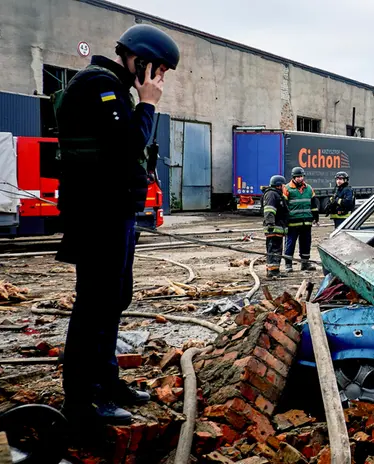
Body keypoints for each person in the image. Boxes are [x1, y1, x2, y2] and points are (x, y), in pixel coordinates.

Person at [55, 24, 180, 425]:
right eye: (158, 70)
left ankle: (106, 382)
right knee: (94, 306)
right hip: (97, 216)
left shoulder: (114, 88)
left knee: (113, 300)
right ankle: (80, 402)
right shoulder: (98, 86)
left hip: (115, 213)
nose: (159, 80)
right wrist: (148, 104)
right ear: (139, 61)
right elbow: (127, 145)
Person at [283, 167, 319, 272]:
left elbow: (313, 205)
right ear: (293, 177)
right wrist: (285, 221)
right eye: (297, 177)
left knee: (306, 243)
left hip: (306, 222)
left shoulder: (309, 188)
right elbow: (284, 206)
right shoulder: (287, 188)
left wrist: (315, 217)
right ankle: (288, 265)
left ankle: (305, 263)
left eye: (301, 176)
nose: (300, 178)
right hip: (292, 223)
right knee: (290, 244)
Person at [262, 175, 289, 279]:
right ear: (278, 185)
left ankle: (274, 270)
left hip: (277, 227)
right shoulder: (272, 194)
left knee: (276, 250)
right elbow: (269, 210)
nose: (284, 187)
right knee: (273, 249)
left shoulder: (276, 194)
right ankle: (272, 271)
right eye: (283, 185)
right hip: (273, 228)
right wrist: (270, 224)